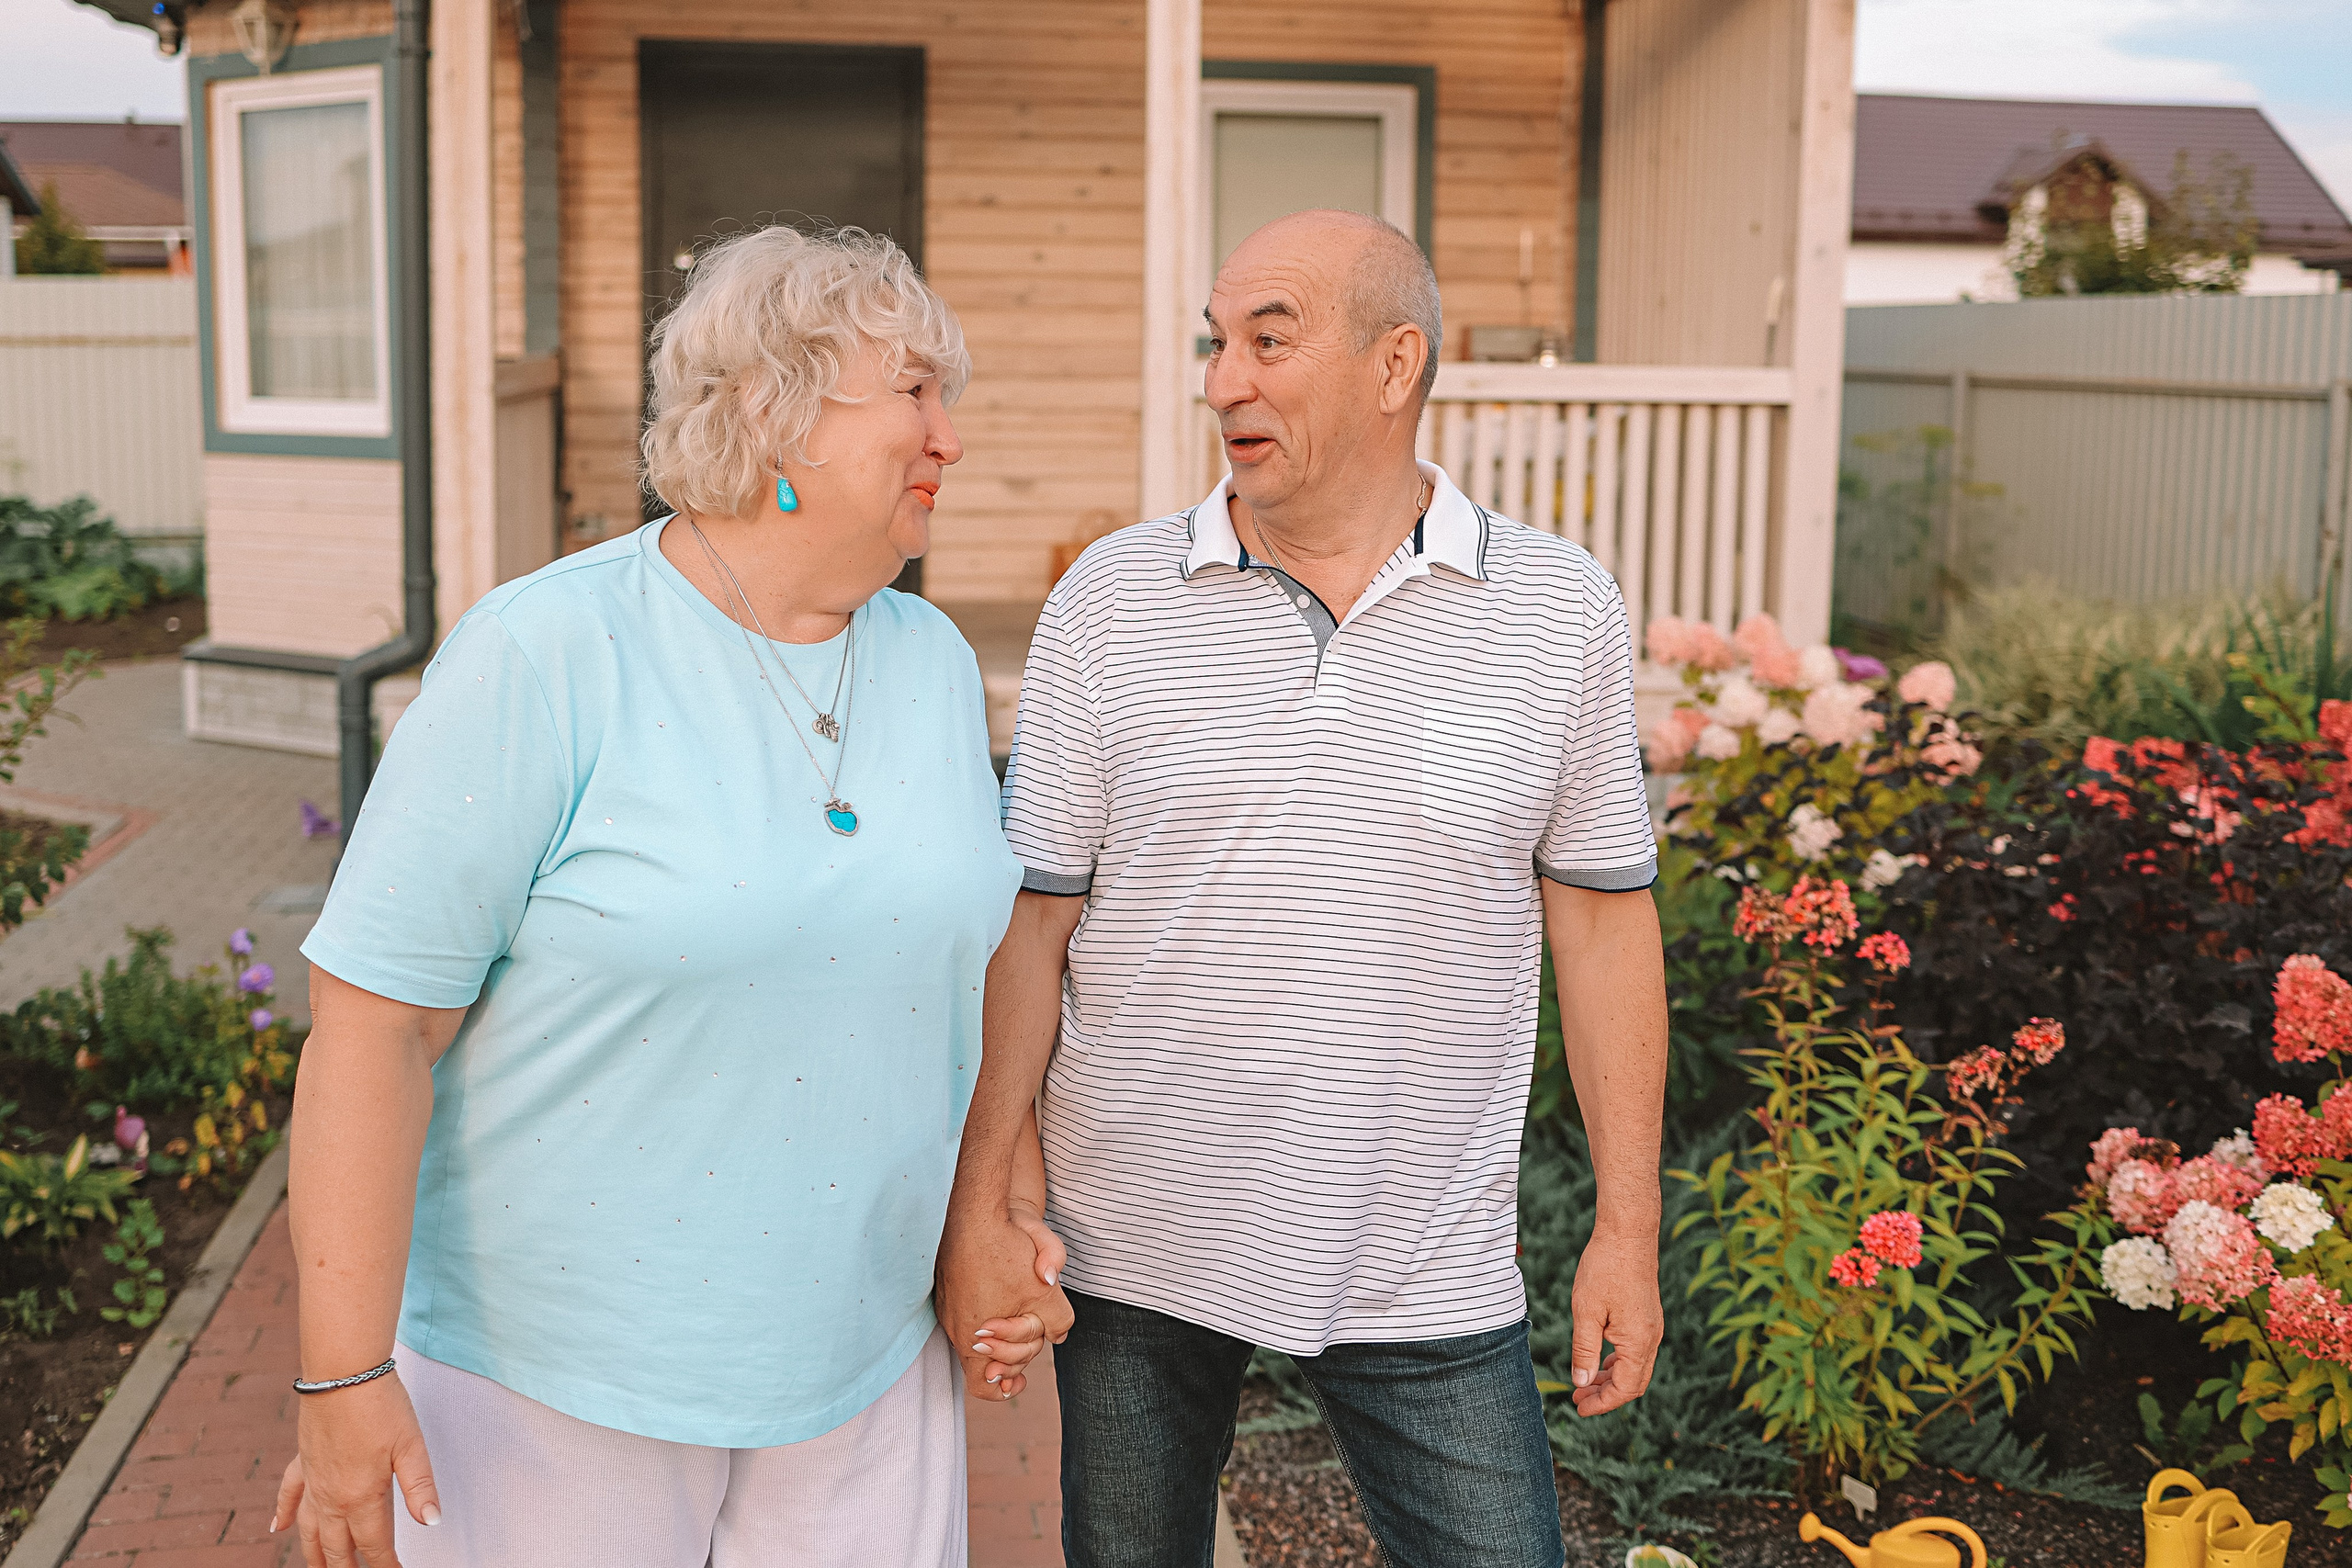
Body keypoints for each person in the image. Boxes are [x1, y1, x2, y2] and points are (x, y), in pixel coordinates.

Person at [269, 225, 1069, 1568]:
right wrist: (340, 1377)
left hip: (862, 1375)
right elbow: (372, 1029)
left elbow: (974, 970)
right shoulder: (547, 654)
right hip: (558, 1387)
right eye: (916, 392)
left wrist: (997, 1214)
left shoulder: (930, 662)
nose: (951, 437)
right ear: (776, 411)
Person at [938, 209, 1670, 1568]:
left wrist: (1627, 1228)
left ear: (1396, 366)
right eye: (1217, 344)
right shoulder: (1113, 599)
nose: (1224, 381)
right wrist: (989, 1198)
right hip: (1128, 1239)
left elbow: (1602, 916)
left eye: (1269, 341)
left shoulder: (1560, 610)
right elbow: (1031, 923)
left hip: (1424, 1251)